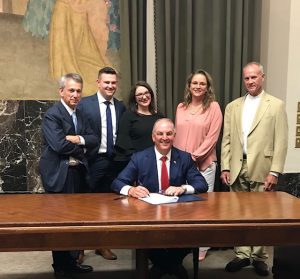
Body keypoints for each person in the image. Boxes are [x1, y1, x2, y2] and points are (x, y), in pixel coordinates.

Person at [112, 118, 208, 279]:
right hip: (148, 214)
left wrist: (183, 188)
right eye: (160, 134)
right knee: (144, 236)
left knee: (191, 232)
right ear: (153, 136)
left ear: (174, 135)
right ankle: (172, 265)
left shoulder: (184, 157)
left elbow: (201, 184)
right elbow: (117, 182)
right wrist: (131, 190)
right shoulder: (140, 157)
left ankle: (163, 266)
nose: (165, 137)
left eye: (169, 133)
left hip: (178, 214)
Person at [220, 62, 288, 276]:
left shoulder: (275, 105)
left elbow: (281, 141)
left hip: (263, 167)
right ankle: (241, 254)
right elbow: (227, 140)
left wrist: (275, 171)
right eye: (246, 78)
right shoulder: (233, 106)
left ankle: (259, 257)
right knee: (237, 214)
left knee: (262, 215)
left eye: (253, 77)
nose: (250, 81)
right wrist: (225, 166)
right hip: (237, 167)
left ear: (262, 77)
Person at [39, 73, 97, 279]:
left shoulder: (80, 114)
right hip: (59, 174)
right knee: (59, 222)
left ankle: (71, 262)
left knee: (75, 220)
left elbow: (93, 139)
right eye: (71, 90)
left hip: (77, 172)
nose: (75, 94)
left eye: (78, 91)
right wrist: (81, 147)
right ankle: (60, 267)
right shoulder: (52, 115)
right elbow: (58, 145)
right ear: (61, 91)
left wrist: (77, 139)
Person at [77, 66, 126, 261]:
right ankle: (79, 249)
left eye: (113, 83)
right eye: (106, 82)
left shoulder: (121, 107)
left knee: (107, 206)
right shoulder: (84, 104)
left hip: (113, 163)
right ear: (98, 83)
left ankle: (102, 245)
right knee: (84, 207)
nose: (110, 86)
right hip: (92, 161)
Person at [174, 69, 222, 261]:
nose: (198, 86)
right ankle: (183, 243)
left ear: (208, 87)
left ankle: (202, 245)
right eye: (195, 83)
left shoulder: (214, 107)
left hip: (204, 163)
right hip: (181, 165)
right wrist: (179, 162)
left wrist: (193, 157)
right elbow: (176, 135)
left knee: (203, 206)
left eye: (202, 83)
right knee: (182, 206)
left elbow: (212, 138)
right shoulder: (180, 107)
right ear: (189, 85)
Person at [114, 81, 163, 172]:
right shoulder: (128, 116)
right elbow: (123, 142)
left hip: (158, 163)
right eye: (139, 94)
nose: (144, 97)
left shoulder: (159, 116)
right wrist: (138, 161)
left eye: (146, 93)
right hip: (137, 164)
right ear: (134, 99)